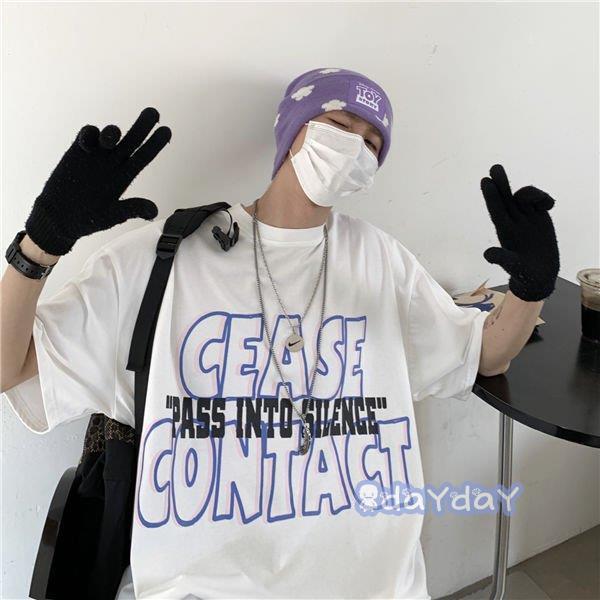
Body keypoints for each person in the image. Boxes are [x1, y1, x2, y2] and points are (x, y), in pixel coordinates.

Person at [1, 67, 559, 599]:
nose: (355, 147)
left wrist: (530, 288)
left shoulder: (381, 259)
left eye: (372, 143)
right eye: (339, 125)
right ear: (293, 130)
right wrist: (40, 244)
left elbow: (485, 356)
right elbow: (10, 368)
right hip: (199, 588)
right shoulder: (163, 257)